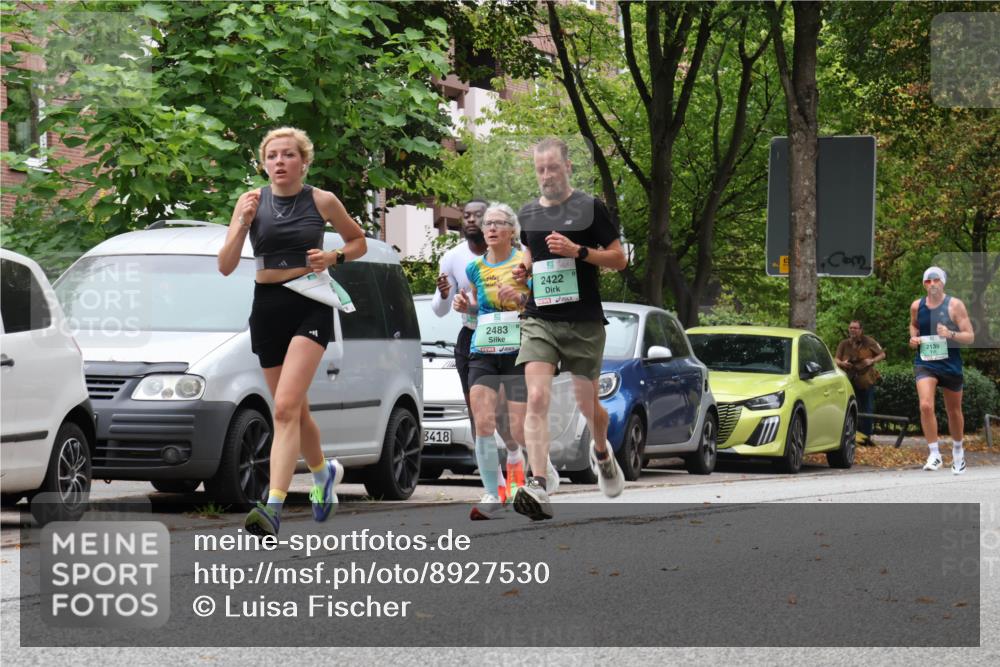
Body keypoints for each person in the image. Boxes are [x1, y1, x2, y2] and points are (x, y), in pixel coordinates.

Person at [218, 127, 367, 537]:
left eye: (288, 155)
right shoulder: (249, 202)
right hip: (266, 308)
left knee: (283, 407)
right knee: (295, 410)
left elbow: (359, 242)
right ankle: (323, 472)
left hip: (309, 302)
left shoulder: (322, 200)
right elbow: (226, 265)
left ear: (304, 161)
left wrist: (334, 255)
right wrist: (241, 224)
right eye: (272, 155)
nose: (280, 162)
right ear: (264, 163)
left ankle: (273, 506)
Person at [511, 137, 628, 520]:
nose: (546, 175)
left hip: (583, 322)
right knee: (538, 397)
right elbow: (530, 251)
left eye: (553, 168)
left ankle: (601, 452)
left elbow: (619, 259)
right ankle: (539, 484)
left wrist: (578, 251)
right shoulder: (528, 213)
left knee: (586, 403)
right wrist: (523, 267)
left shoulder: (589, 208)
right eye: (540, 169)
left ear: (568, 168)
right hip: (540, 319)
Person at [452, 203, 531, 519]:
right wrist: (463, 304)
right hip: (483, 348)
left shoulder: (523, 264)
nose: (492, 228)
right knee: (482, 420)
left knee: (515, 427)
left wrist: (519, 300)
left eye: (499, 223)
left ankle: (517, 469)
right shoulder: (475, 268)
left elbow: (537, 304)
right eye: (488, 224)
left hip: (517, 348)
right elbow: (475, 307)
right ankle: (491, 493)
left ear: (512, 230)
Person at [908, 266, 975, 475]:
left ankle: (957, 452)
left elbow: (970, 336)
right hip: (926, 361)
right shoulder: (917, 306)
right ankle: (934, 453)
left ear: (942, 282)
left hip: (950, 363)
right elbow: (913, 325)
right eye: (928, 281)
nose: (932, 284)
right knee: (926, 405)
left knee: (953, 411)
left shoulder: (955, 305)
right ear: (924, 284)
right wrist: (914, 338)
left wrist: (950, 334)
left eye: (935, 280)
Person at [432, 200, 488, 412]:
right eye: (466, 215)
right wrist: (446, 294)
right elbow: (439, 310)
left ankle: (510, 446)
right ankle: (480, 447)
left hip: (505, 337)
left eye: (478, 215)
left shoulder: (509, 252)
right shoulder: (452, 257)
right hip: (470, 336)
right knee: (476, 412)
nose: (471, 219)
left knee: (505, 415)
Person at [834, 320, 886, 446]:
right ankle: (852, 436)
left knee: (867, 408)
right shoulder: (844, 344)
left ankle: (866, 438)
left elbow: (882, 354)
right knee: (850, 408)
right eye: (851, 328)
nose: (852, 330)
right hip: (849, 380)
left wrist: (871, 361)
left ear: (861, 330)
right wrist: (842, 363)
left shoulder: (869, 341)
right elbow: (836, 359)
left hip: (866, 380)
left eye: (855, 328)